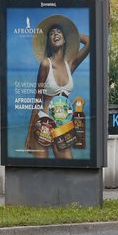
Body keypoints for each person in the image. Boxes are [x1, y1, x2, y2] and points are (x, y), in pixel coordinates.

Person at [25, 15, 90, 159]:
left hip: (63, 125)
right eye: (51, 33)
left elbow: (89, 42)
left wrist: (71, 35)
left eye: (58, 32)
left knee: (68, 168)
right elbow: (37, 100)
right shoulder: (45, 64)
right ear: (48, 41)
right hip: (44, 121)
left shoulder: (70, 65)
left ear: (65, 38)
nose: (55, 34)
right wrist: (29, 134)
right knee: (42, 171)